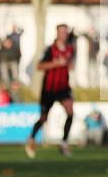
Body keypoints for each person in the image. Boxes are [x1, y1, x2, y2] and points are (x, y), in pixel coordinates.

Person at [25, 24, 75, 158]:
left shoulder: (70, 49)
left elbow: (70, 65)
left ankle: (64, 143)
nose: (63, 34)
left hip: (63, 87)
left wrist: (69, 66)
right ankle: (31, 139)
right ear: (57, 33)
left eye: (65, 32)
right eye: (61, 32)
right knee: (44, 118)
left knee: (70, 111)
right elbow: (39, 66)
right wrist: (55, 64)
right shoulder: (49, 49)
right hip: (49, 88)